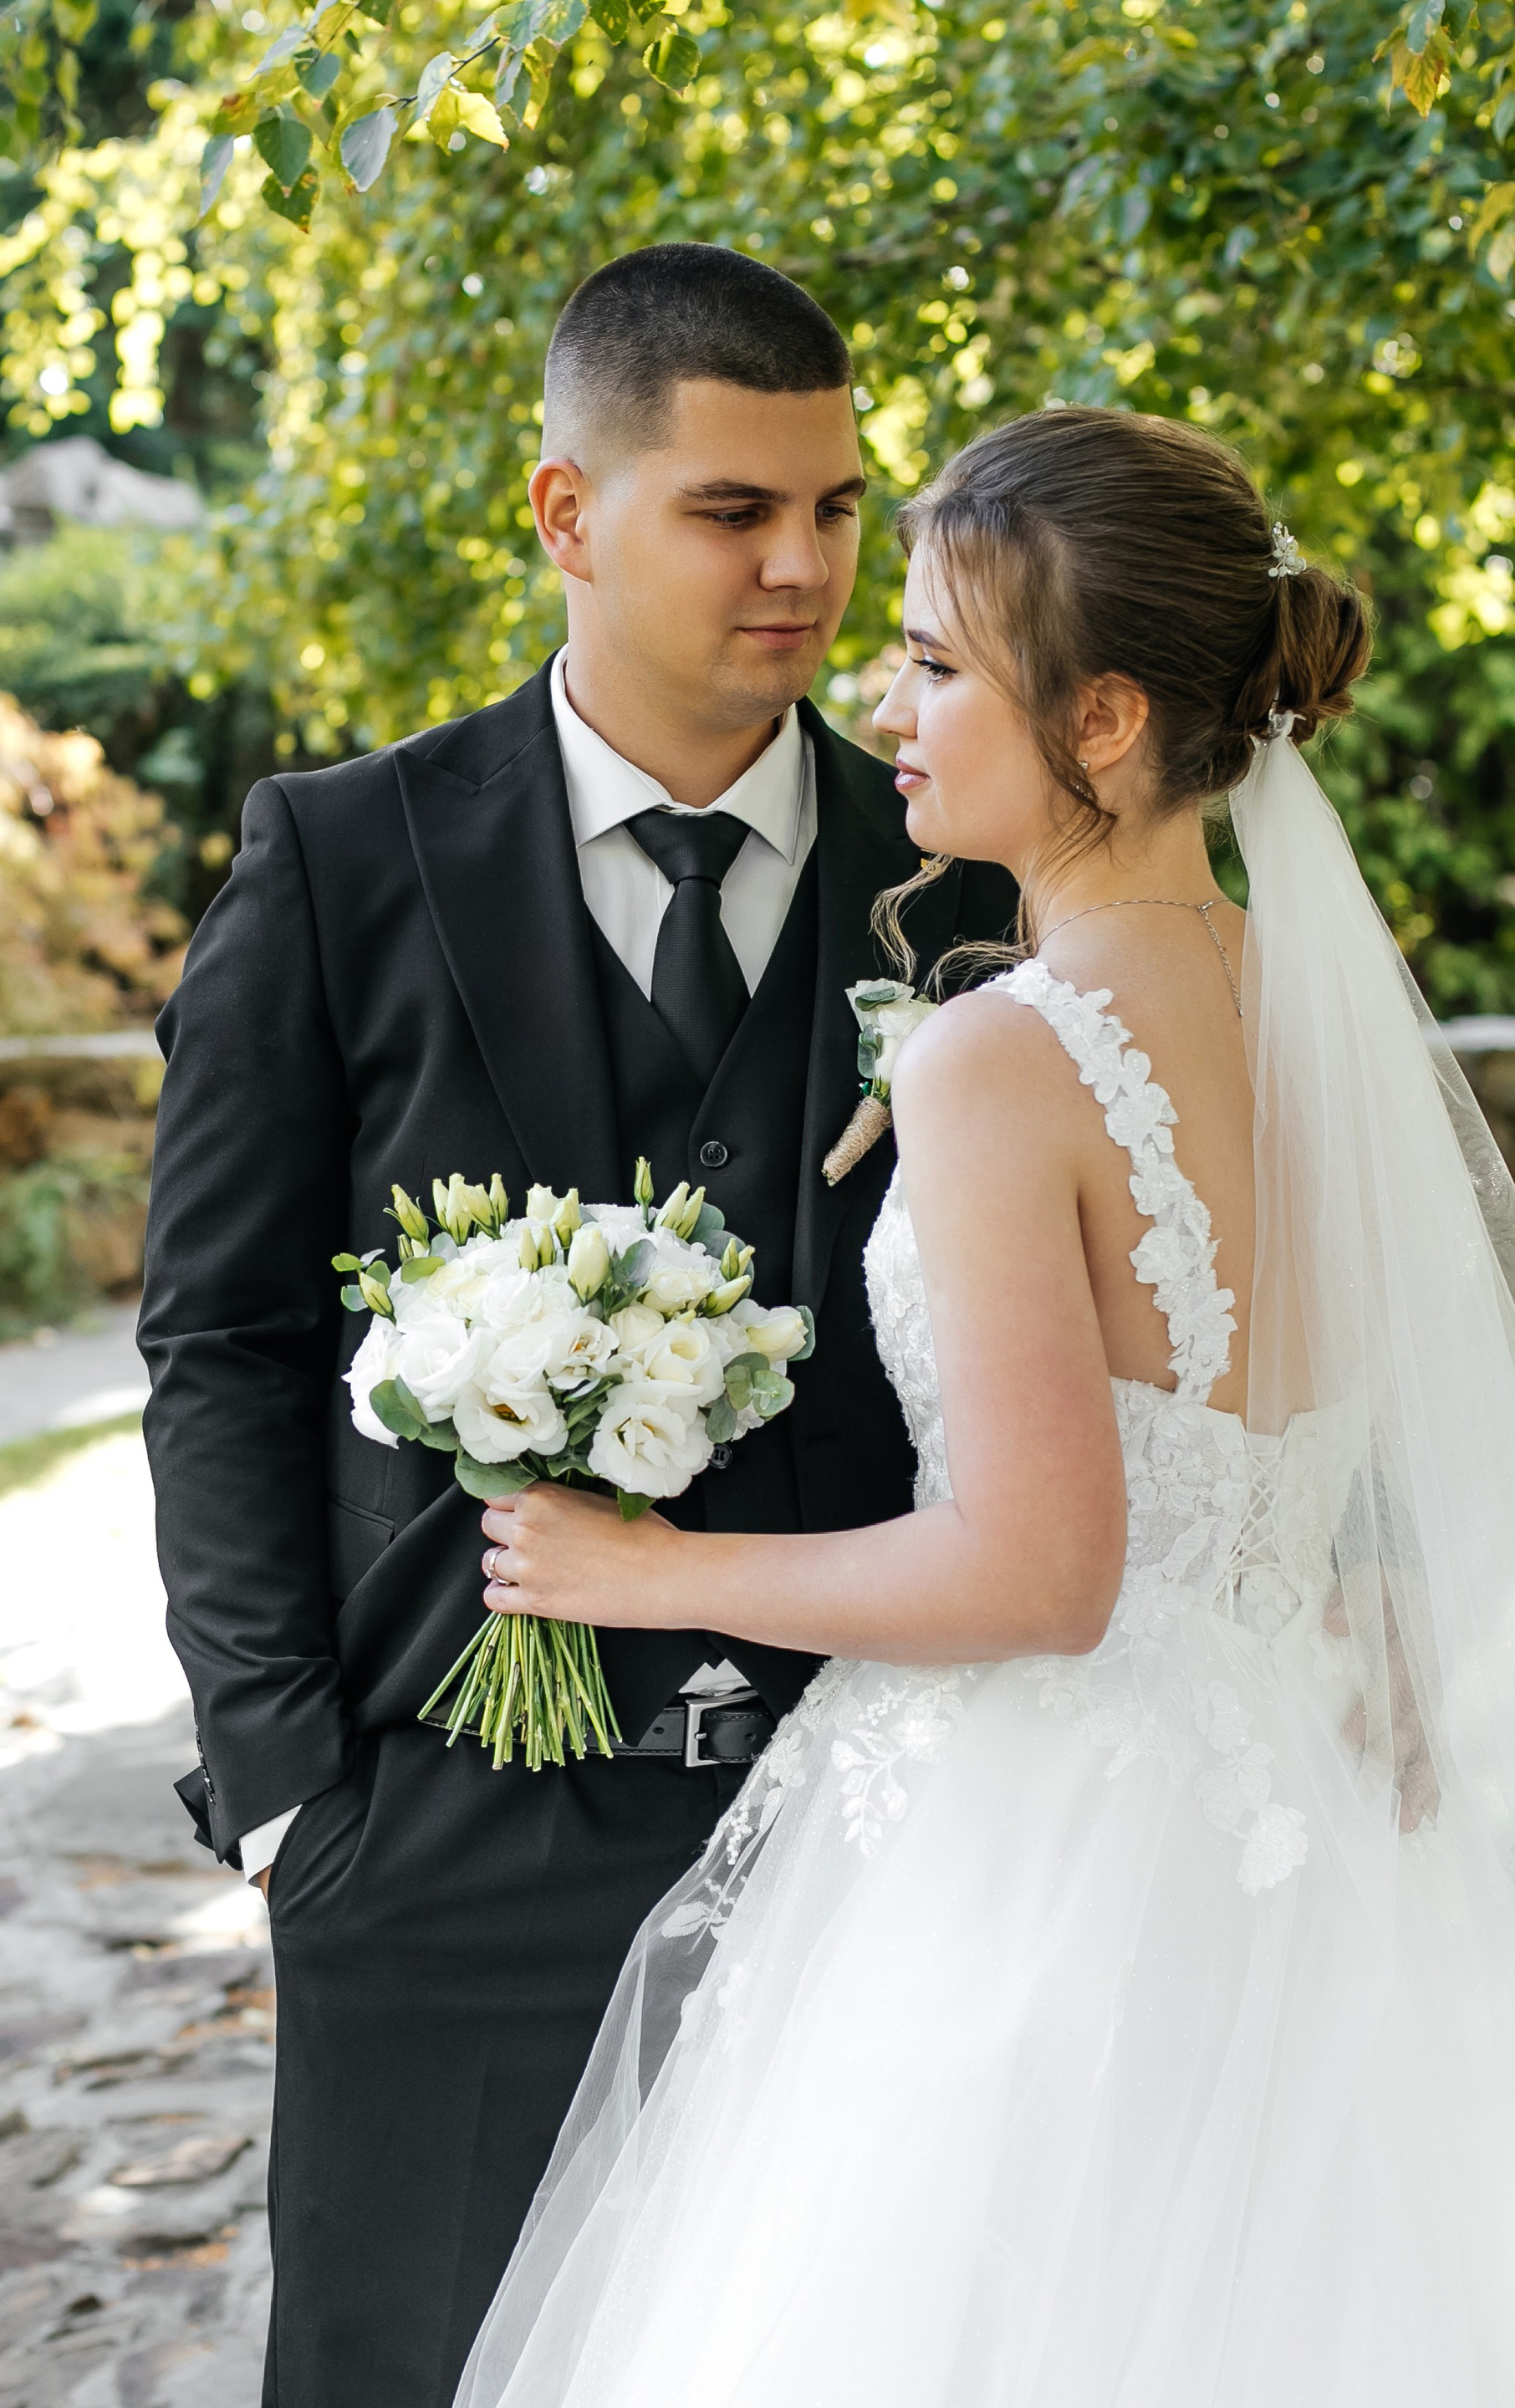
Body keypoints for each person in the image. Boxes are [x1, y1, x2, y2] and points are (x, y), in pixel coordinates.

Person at [454, 405, 1515, 2407]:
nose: (886, 707)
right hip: (1306, 1832)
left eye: (936, 664)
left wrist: (642, 1571)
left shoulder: (1004, 1059)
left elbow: (1041, 1576)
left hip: (1048, 1869)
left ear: (1103, 721)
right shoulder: (1307, 1013)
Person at [135, 242, 1014, 2408]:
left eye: (837, 508)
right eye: (734, 509)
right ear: (567, 513)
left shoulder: (973, 899)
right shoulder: (340, 861)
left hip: (875, 1838)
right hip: (440, 1840)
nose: (804, 566)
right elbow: (224, 1341)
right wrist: (291, 1797)